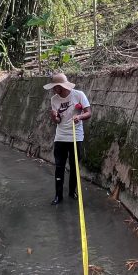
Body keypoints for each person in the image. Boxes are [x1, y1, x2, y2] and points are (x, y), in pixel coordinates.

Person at [44, 72, 91, 205]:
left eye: (55, 87)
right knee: (59, 166)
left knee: (74, 166)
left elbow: (88, 112)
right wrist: (54, 117)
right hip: (60, 137)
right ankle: (58, 195)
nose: (53, 89)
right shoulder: (54, 99)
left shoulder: (79, 95)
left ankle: (72, 191)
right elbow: (58, 121)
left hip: (76, 136)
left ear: (61, 86)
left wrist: (79, 117)